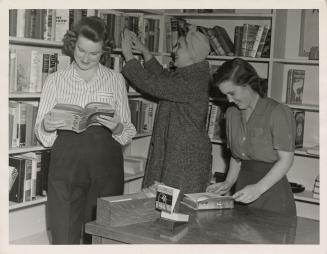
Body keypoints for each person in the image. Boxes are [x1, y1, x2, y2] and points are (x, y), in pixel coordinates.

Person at [34, 16, 136, 244]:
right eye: (81, 50)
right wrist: (46, 126)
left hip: (106, 170)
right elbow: (42, 135)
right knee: (64, 235)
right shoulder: (55, 80)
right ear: (73, 45)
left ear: (104, 52)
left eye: (94, 53)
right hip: (66, 168)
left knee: (103, 237)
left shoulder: (115, 79)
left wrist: (117, 126)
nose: (86, 58)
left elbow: (128, 131)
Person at [121, 26, 212, 197]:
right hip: (178, 153)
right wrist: (144, 51)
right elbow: (163, 77)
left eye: (179, 46)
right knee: (164, 205)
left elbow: (154, 84)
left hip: (186, 158)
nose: (173, 51)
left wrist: (129, 57)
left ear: (192, 54)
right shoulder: (191, 74)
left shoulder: (193, 82)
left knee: (174, 209)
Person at [207, 58, 296, 216]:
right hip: (243, 191)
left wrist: (258, 188)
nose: (228, 99)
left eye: (232, 93)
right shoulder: (231, 114)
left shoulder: (277, 112)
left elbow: (286, 160)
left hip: (272, 194)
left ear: (248, 84)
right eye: (225, 94)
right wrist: (228, 182)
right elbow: (236, 157)